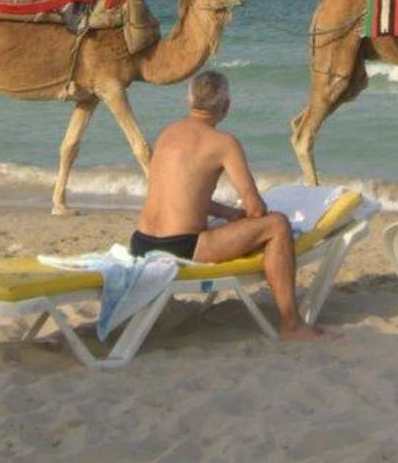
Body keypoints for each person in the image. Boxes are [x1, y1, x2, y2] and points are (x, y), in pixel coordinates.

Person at [132, 70, 325, 340]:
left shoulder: (167, 133)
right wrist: (250, 217)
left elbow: (177, 194)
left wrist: (228, 213)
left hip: (141, 242)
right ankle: (291, 324)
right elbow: (256, 209)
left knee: (245, 223)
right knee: (278, 226)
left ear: (189, 101)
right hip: (181, 246)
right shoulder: (224, 143)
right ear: (227, 105)